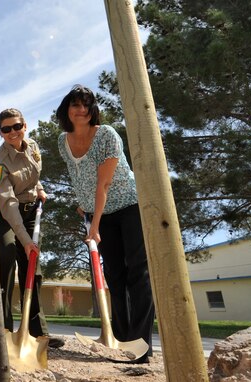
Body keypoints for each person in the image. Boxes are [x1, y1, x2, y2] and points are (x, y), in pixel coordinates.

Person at [55, 85, 155, 362]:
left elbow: (104, 183)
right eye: (76, 104)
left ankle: (141, 347)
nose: (82, 110)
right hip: (99, 212)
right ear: (67, 109)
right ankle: (121, 341)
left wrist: (94, 223)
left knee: (138, 272)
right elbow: (79, 176)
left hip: (129, 207)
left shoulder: (106, 135)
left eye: (87, 105)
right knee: (114, 275)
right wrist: (84, 206)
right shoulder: (63, 142)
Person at [0, 109, 65, 349]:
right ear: (1, 133)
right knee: (6, 257)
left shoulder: (32, 145)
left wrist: (40, 188)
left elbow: (34, 174)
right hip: (6, 213)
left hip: (31, 209)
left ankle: (37, 332)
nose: (12, 132)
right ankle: (2, 329)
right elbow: (9, 203)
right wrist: (24, 240)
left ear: (24, 126)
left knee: (32, 267)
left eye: (16, 126)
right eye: (6, 129)